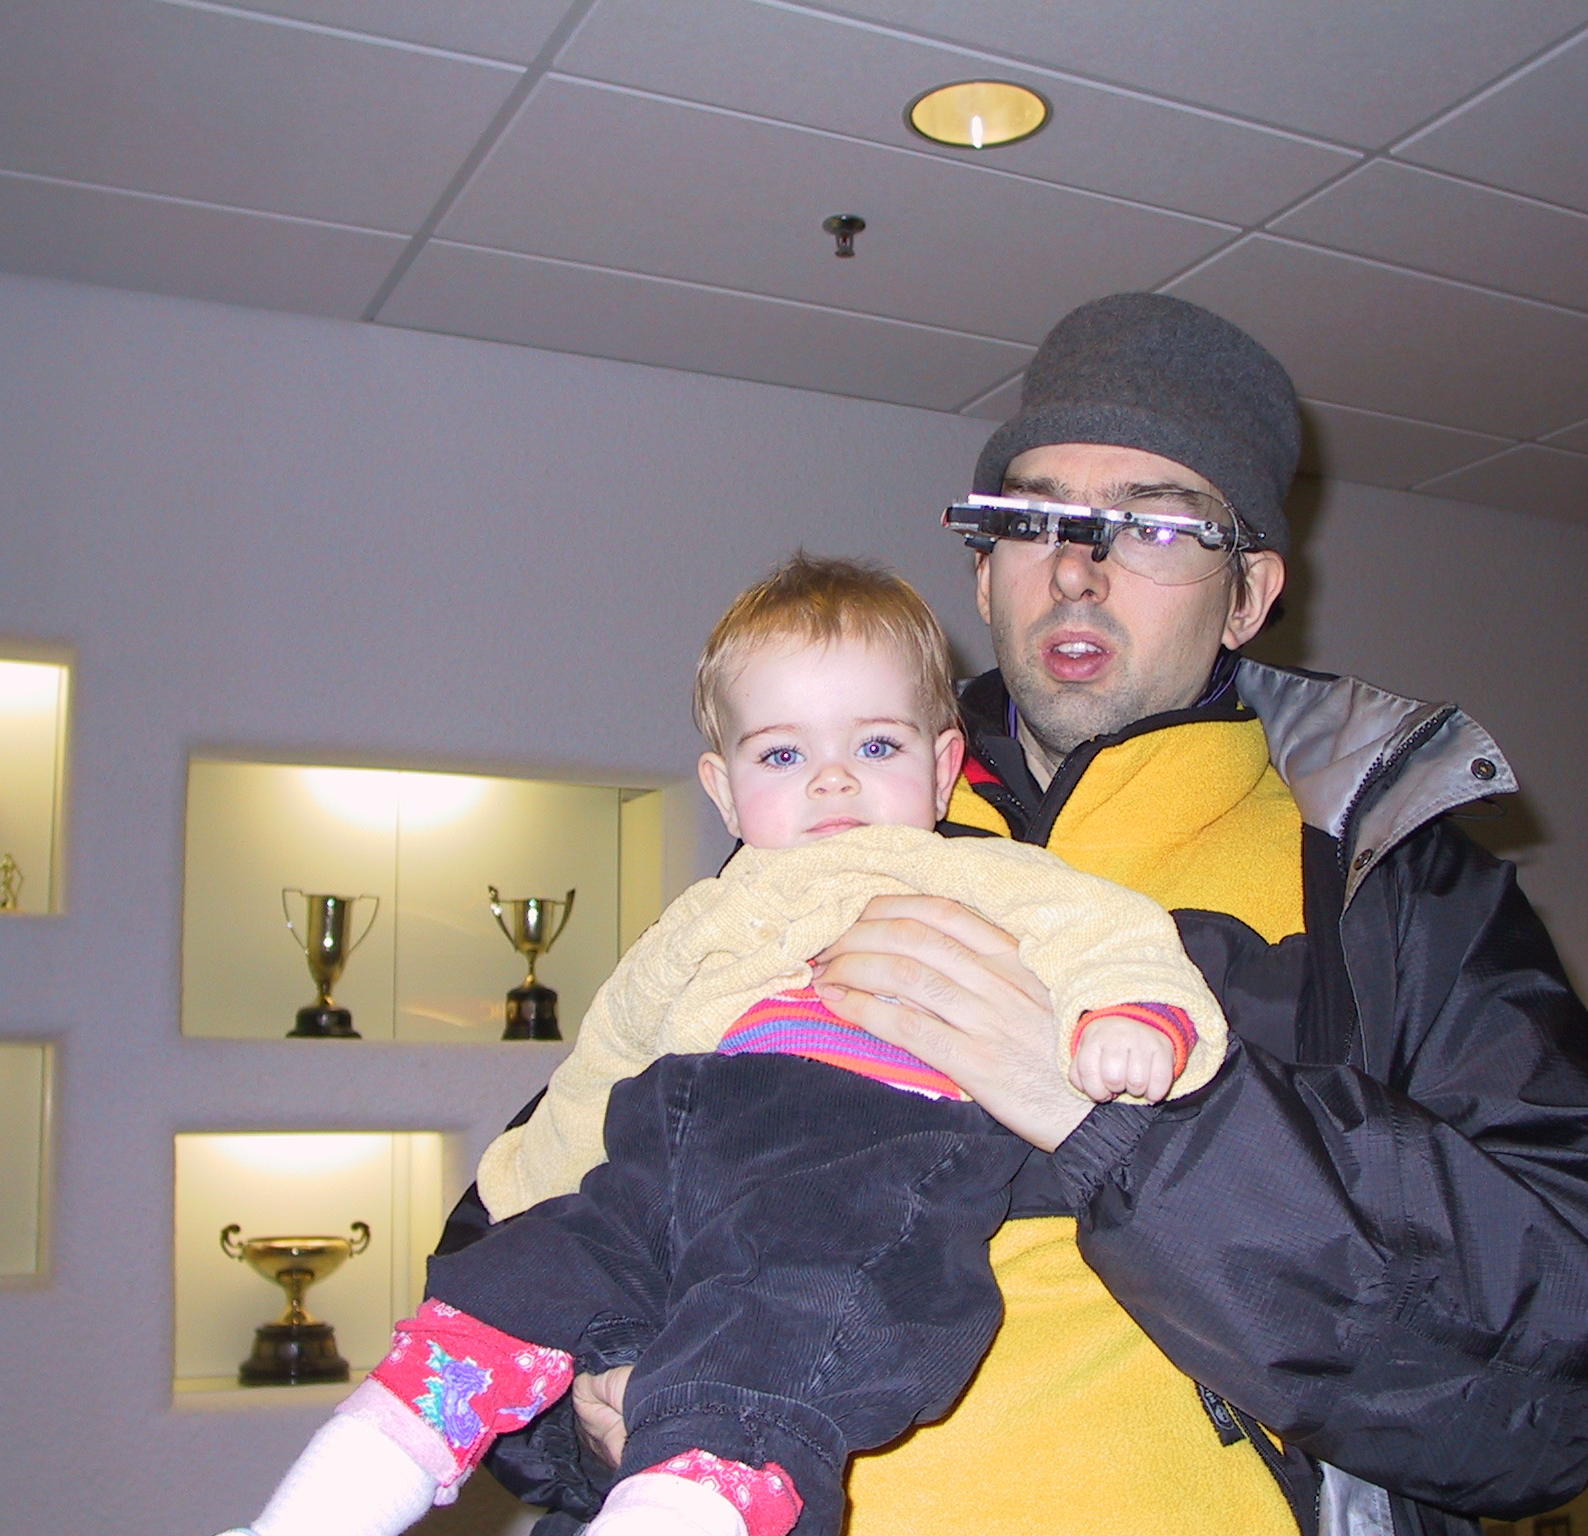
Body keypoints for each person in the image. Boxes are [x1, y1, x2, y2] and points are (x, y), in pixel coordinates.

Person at [472, 294, 1588, 1536]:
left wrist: (1120, 1134)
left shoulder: (1382, 884)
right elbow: (522, 1221)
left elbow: (1563, 1373)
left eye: (1154, 523)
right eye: (1032, 519)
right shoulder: (817, 846)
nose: (1075, 567)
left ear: (1245, 594)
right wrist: (591, 1406)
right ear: (982, 567)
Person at [222, 556, 1229, 1536]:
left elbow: (1105, 932)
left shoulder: (974, 878)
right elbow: (600, 1067)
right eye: (783, 756)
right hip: (661, 1164)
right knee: (493, 1304)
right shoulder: (699, 920)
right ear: (724, 787)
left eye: (876, 746)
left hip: (854, 1175)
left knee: (764, 1357)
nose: (832, 782)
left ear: (939, 767)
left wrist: (1132, 1017)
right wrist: (526, 1199)